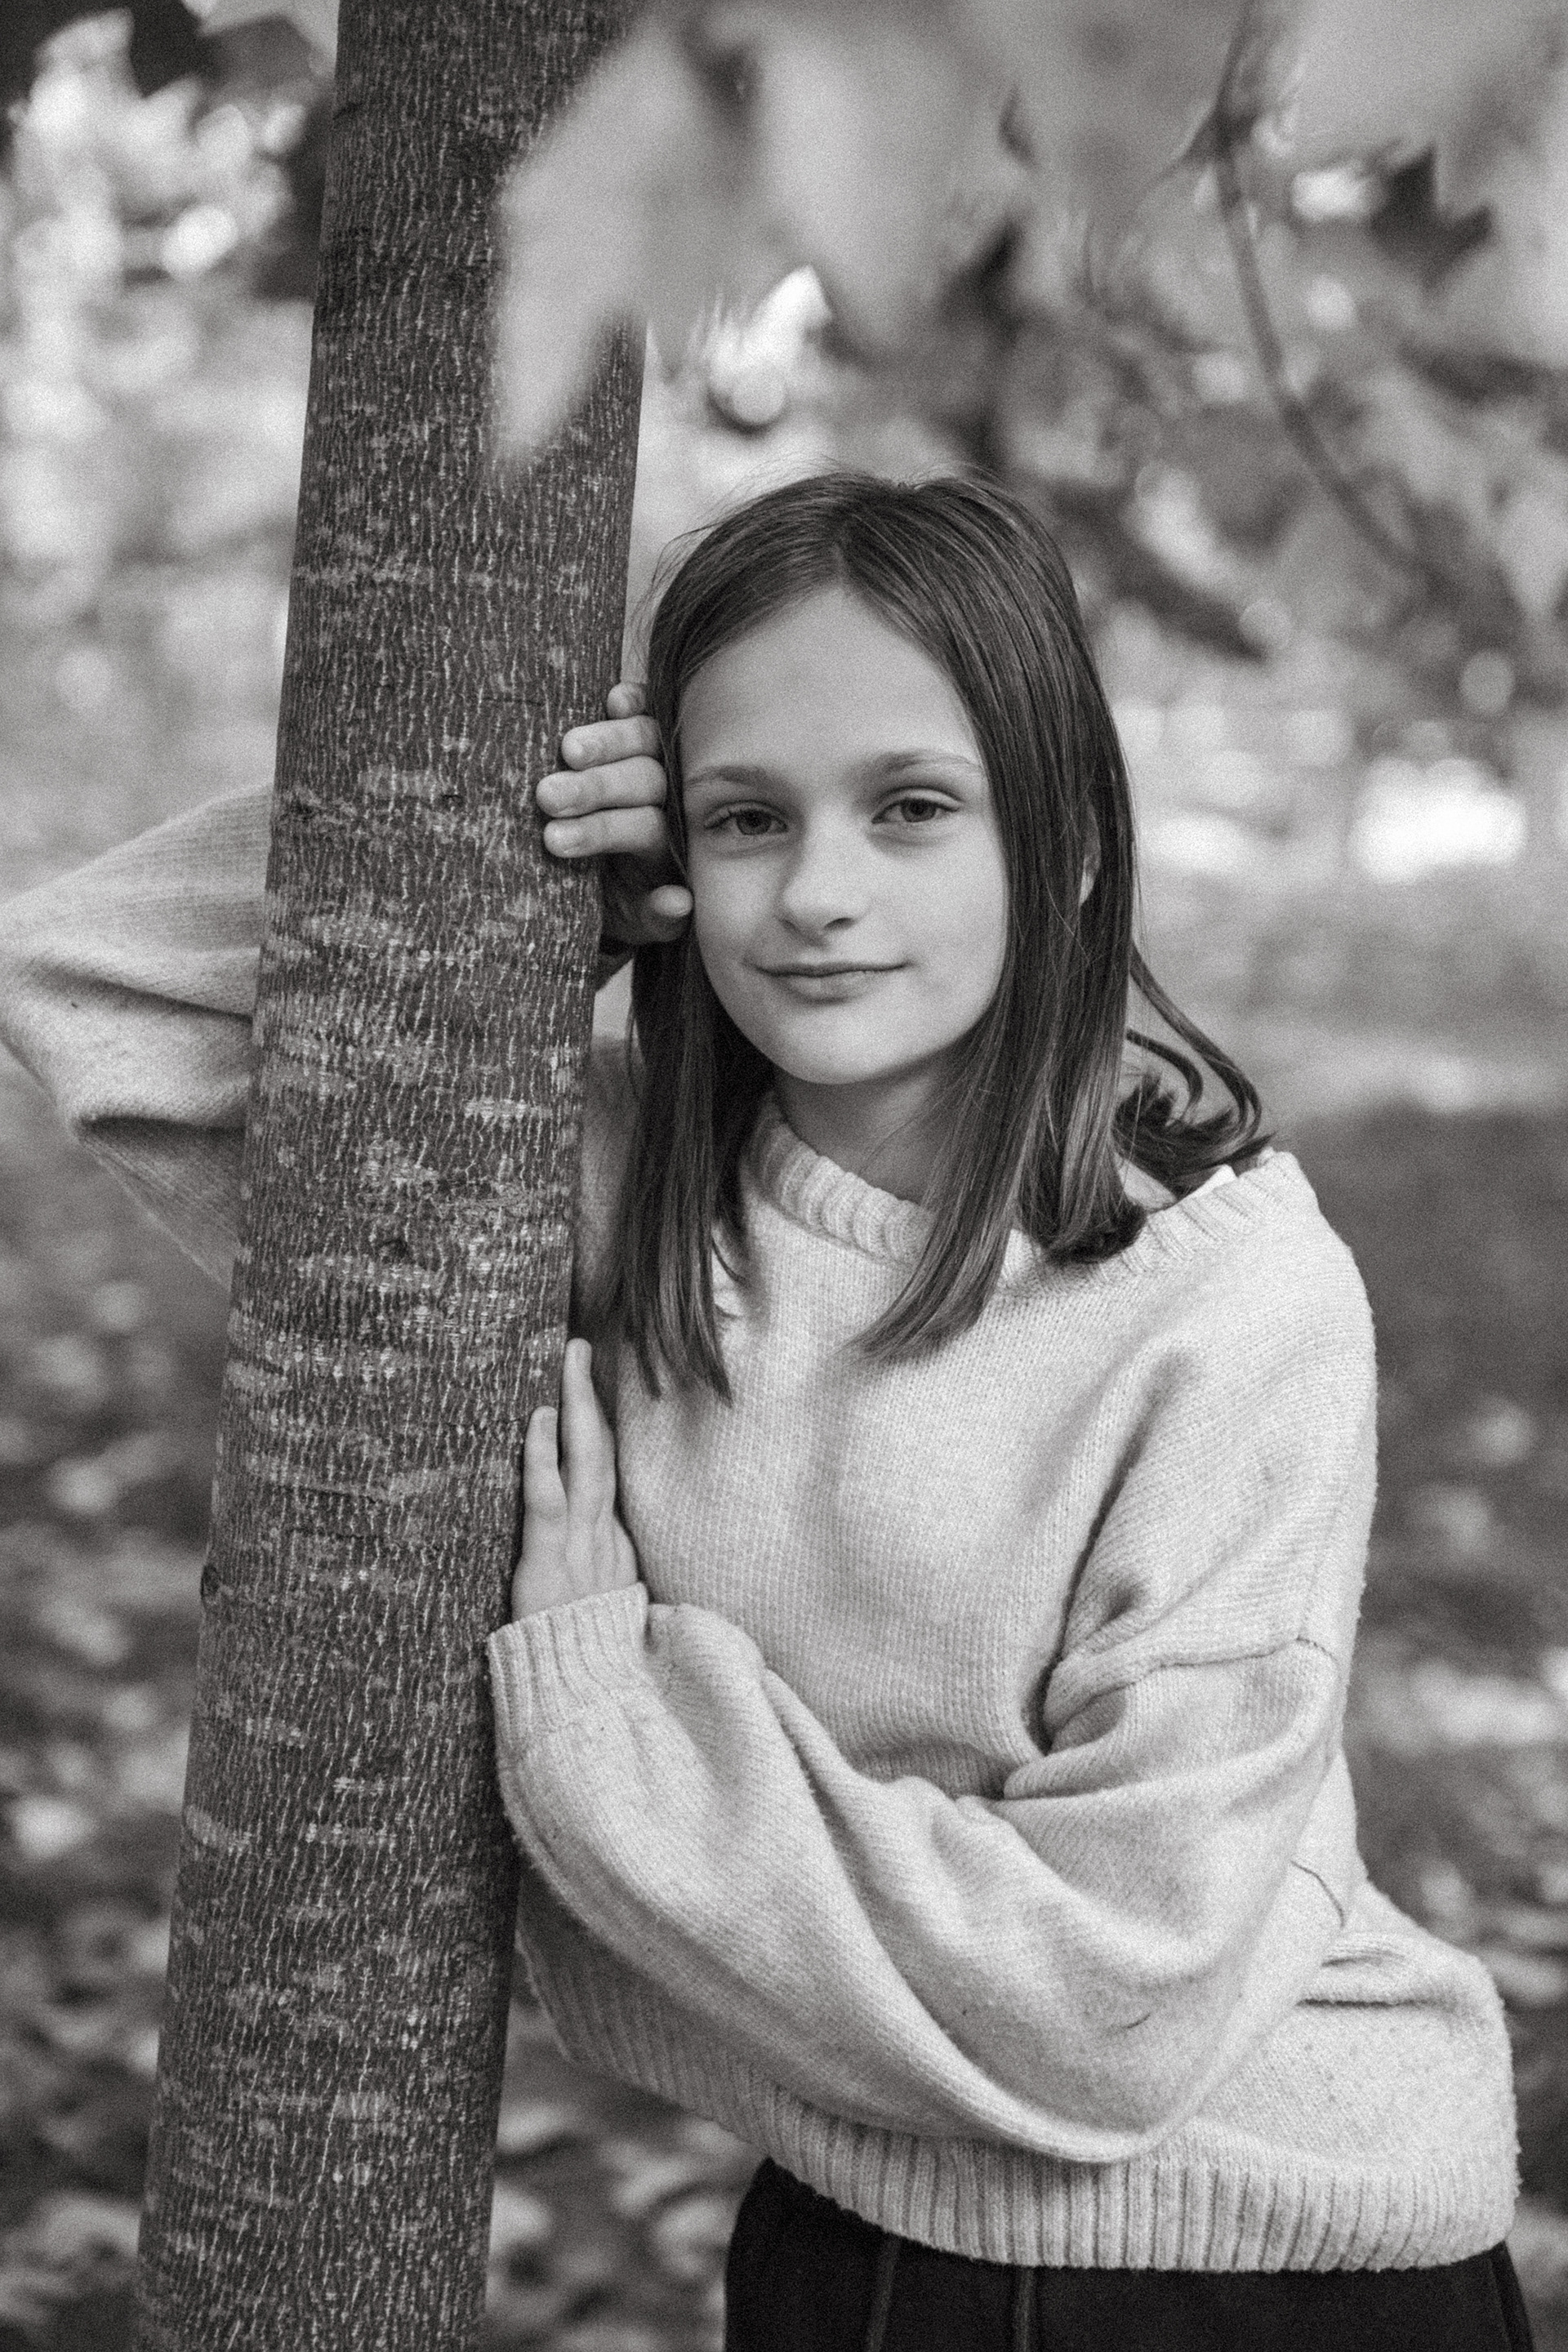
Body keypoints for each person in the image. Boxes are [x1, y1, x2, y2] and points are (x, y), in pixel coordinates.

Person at [0, 474, 1528, 2351]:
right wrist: (511, 883)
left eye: (910, 808)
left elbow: (1105, 2006)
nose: (815, 894)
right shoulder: (608, 1200)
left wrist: (607, 1723)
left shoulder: (1222, 1304)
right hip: (855, 2227)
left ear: (1059, 842)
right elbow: (91, 983)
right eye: (747, 819)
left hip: (1278, 2256)